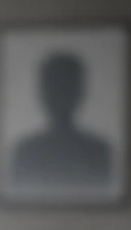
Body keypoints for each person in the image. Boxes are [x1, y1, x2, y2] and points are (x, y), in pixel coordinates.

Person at [11, 52, 112, 188]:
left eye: (65, 88)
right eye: (52, 87)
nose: (59, 96)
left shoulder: (98, 150)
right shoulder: (25, 151)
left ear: (79, 92)